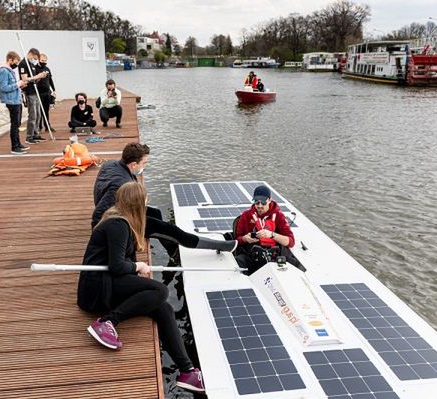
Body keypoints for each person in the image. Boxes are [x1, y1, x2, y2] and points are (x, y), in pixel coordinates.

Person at [77, 182, 205, 393]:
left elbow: (120, 263)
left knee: (163, 307)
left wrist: (135, 269)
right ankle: (107, 322)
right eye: (145, 200)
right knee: (160, 291)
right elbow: (117, 266)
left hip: (108, 281)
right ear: (136, 203)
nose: (147, 203)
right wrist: (138, 266)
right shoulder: (117, 224)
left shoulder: (121, 220)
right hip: (97, 288)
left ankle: (187, 371)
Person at [92, 143, 237, 260]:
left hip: (124, 208)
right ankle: (221, 246)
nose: (145, 166)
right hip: (121, 220)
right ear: (133, 164)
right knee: (172, 231)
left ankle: (172, 250)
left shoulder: (111, 164)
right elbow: (98, 215)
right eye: (144, 163)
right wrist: (109, 237)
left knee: (155, 212)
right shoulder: (120, 184)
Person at [234, 185, 305, 274]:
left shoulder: (279, 216)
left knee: (292, 263)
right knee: (238, 261)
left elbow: (290, 242)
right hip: (252, 256)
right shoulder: (246, 215)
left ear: (269, 200)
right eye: (256, 202)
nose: (259, 205)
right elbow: (237, 239)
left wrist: (272, 235)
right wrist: (244, 238)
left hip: (274, 257)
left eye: (263, 202)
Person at [0, 51, 30, 155]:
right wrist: (17, 84)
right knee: (15, 124)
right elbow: (3, 87)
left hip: (16, 100)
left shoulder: (10, 71)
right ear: (10, 60)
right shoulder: (4, 71)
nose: (16, 64)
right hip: (11, 101)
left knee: (18, 123)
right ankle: (14, 147)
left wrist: (20, 86)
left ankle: (18, 144)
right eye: (16, 61)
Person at [18, 47, 48, 144]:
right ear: (31, 54)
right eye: (34, 58)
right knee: (33, 115)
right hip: (30, 92)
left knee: (38, 115)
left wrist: (41, 76)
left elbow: (34, 79)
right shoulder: (23, 64)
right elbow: (25, 79)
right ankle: (29, 136)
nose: (35, 60)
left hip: (36, 92)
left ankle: (36, 134)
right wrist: (38, 76)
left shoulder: (31, 65)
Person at [36, 53, 57, 133]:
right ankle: (39, 126)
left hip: (47, 93)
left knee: (46, 110)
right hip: (39, 93)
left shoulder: (47, 69)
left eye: (45, 61)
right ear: (38, 60)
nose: (44, 62)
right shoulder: (35, 69)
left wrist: (54, 90)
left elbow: (50, 80)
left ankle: (47, 126)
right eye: (42, 60)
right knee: (39, 110)